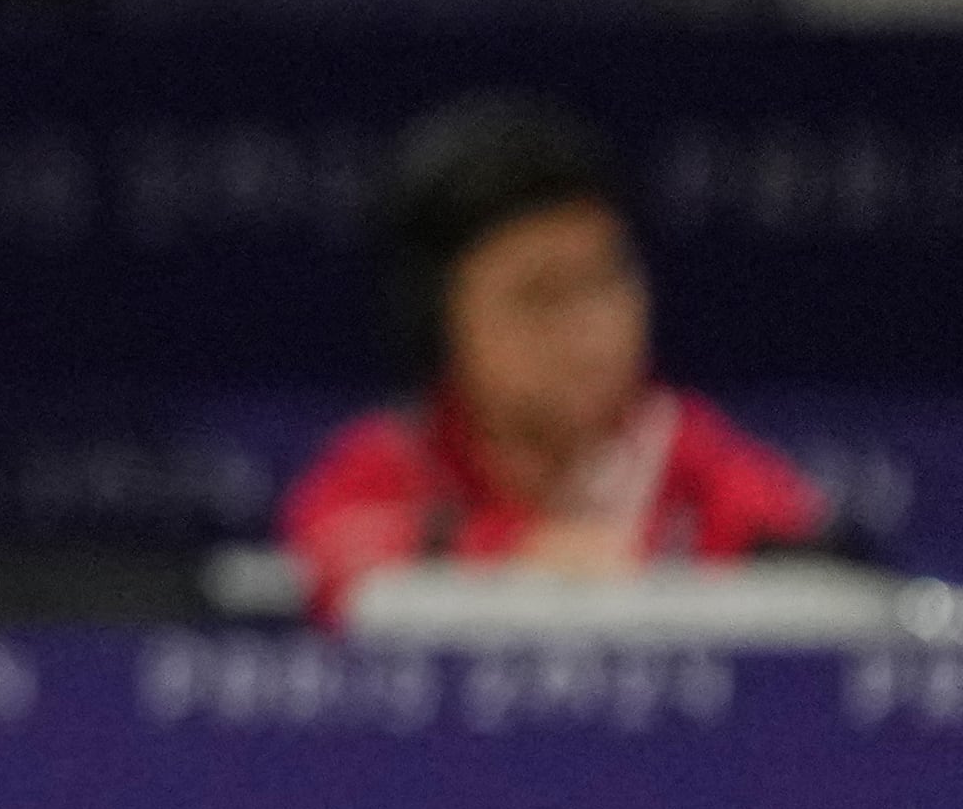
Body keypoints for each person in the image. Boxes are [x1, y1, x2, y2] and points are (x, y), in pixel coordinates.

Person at [280, 92, 823, 617]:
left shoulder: (699, 465)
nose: (591, 325)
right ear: (439, 321)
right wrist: (518, 555)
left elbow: (817, 582)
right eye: (539, 295)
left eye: (606, 280)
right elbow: (330, 562)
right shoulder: (387, 467)